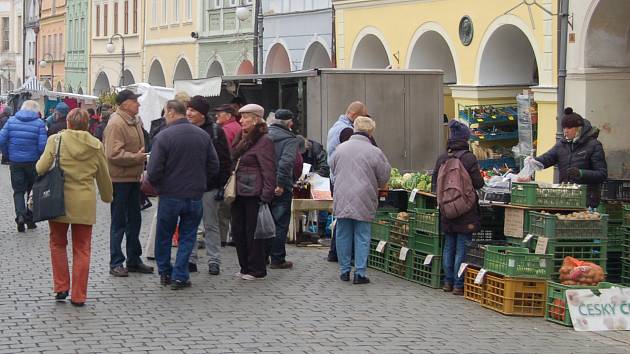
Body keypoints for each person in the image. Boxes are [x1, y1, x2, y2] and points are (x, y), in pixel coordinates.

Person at [36, 109, 113, 306]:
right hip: (84, 203)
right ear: (87, 124)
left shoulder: (56, 140)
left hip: (58, 201)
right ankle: (79, 296)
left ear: (68, 123)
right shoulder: (96, 145)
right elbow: (103, 176)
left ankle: (61, 286)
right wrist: (107, 196)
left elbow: (40, 168)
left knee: (57, 244)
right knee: (82, 249)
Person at [147, 100, 219, 289]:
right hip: (195, 194)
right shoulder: (202, 135)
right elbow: (214, 165)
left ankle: (165, 273)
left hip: (170, 194)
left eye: (165, 113)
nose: (164, 117)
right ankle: (180, 275)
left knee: (164, 236)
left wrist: (157, 185)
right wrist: (201, 182)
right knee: (188, 236)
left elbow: (153, 170)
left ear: (171, 112)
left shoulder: (163, 136)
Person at [330, 117, 390, 284]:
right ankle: (360, 272)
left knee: (343, 233)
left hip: (342, 194)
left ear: (355, 129)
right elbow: (384, 175)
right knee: (362, 235)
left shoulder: (340, 148)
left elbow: (332, 167)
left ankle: (344, 270)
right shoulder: (375, 152)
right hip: (364, 195)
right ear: (371, 132)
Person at [103, 89, 153, 277]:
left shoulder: (135, 121)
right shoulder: (116, 123)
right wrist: (136, 157)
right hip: (119, 179)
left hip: (133, 177)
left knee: (135, 219)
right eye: (135, 101)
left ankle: (133, 259)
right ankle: (116, 261)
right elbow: (112, 154)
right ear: (124, 104)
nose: (138, 104)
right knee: (119, 221)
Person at [431, 120, 484, 296]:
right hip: (465, 210)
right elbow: (478, 182)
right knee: (462, 246)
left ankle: (447, 282)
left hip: (446, 209)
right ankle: (459, 284)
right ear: (465, 138)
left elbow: (434, 185)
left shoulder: (442, 158)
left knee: (449, 245)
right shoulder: (469, 158)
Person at [186, 96, 232, 275]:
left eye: (193, 110)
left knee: (211, 225)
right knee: (189, 224)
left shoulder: (215, 131)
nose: (189, 113)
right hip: (188, 186)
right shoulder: (185, 129)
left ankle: (214, 260)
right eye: (188, 109)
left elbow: (224, 160)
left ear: (202, 114)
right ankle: (190, 258)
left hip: (209, 187)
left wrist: (221, 185)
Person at [231, 104, 276, 280]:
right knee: (238, 231)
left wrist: (266, 195)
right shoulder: (241, 137)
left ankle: (256, 269)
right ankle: (244, 266)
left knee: (253, 232)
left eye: (245, 117)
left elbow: (268, 169)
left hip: (254, 193)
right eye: (240, 117)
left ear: (256, 119)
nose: (241, 121)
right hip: (239, 191)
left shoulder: (264, 140)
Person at [533, 108, 607, 208]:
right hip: (565, 199)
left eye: (569, 128)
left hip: (586, 201)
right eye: (564, 128)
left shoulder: (594, 145)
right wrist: (533, 161)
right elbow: (547, 158)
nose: (565, 131)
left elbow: (602, 174)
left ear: (578, 128)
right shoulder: (561, 145)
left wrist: (581, 173)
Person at [325, 101, 368, 262]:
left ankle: (335, 252)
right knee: (346, 220)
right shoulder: (347, 131)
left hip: (335, 178)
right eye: (363, 117)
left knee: (341, 216)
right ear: (355, 115)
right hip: (344, 180)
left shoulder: (336, 126)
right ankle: (344, 257)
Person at [0, 100, 48, 232]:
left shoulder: (11, 121)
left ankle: (20, 215)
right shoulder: (39, 123)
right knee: (32, 191)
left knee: (18, 190)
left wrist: (7, 154)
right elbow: (42, 146)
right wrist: (38, 156)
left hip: (16, 162)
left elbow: (1, 140)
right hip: (32, 162)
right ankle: (30, 219)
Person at [267, 109, 300, 269]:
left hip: (264, 184)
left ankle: (262, 255)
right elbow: (286, 163)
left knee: (265, 222)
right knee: (279, 223)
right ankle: (277, 258)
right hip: (281, 186)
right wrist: (280, 183)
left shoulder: (264, 134)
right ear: (289, 123)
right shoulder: (290, 139)